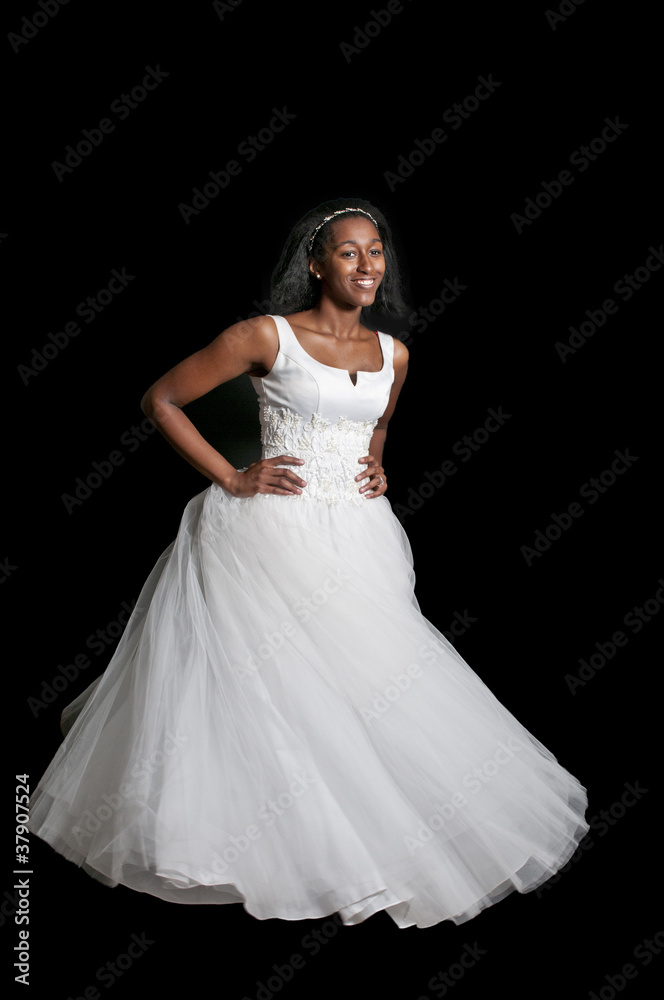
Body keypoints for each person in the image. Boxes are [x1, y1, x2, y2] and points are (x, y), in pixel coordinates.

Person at [28, 198, 589, 929]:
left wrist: (376, 470)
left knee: (367, 682)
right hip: (267, 529)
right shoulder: (265, 336)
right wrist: (231, 477)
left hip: (359, 532)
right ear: (317, 264)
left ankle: (367, 838)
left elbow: (376, 425)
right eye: (349, 252)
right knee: (268, 683)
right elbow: (160, 398)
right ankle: (252, 840)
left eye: (376, 252)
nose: (366, 265)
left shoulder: (396, 354)